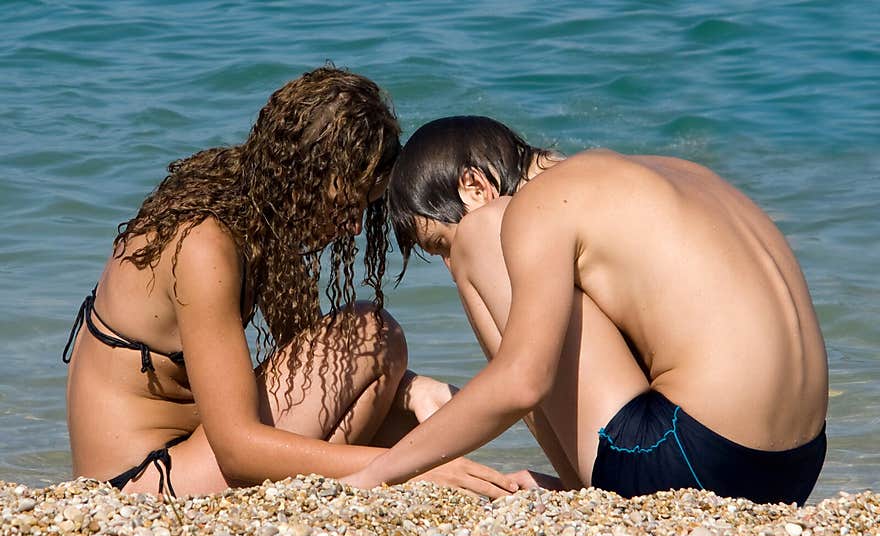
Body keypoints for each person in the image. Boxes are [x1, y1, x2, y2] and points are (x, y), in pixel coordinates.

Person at [62, 72, 518, 500]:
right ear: (303, 178)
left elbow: (313, 372)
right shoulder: (203, 242)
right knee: (372, 335)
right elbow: (239, 447)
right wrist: (404, 467)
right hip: (144, 482)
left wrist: (412, 390)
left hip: (187, 458)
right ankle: (426, 475)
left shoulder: (249, 209)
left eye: (366, 207)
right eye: (347, 203)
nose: (355, 227)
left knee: (382, 365)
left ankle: (480, 479)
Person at [340, 115, 829, 506]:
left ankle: (589, 485)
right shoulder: (668, 174)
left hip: (696, 462)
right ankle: (589, 485)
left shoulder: (536, 206)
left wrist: (376, 473)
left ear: (474, 186)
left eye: (440, 246)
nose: (452, 271)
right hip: (798, 468)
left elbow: (522, 381)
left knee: (482, 235)